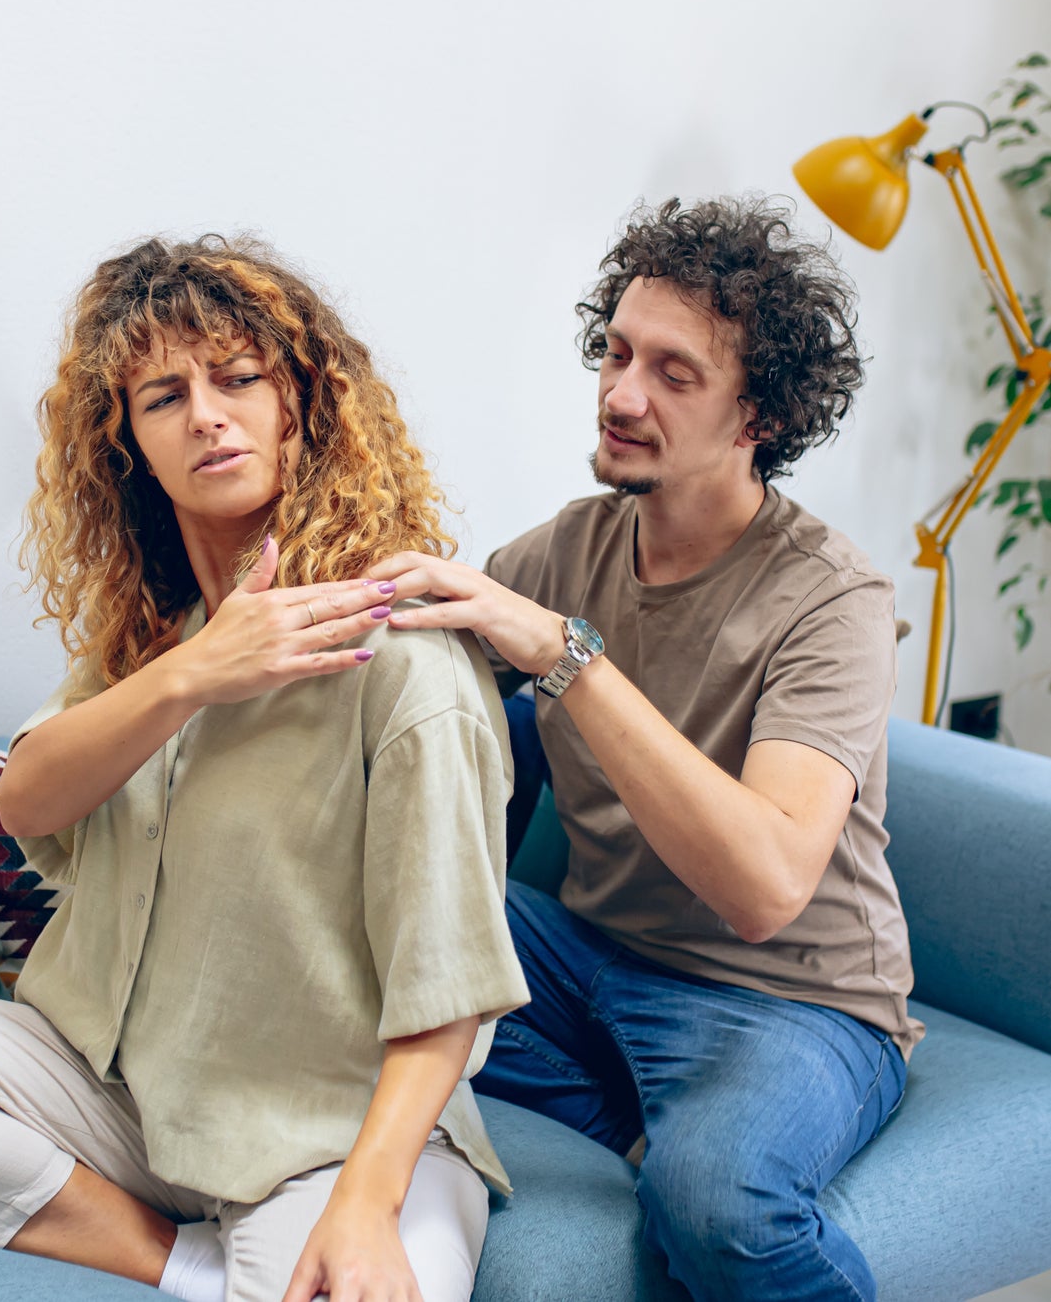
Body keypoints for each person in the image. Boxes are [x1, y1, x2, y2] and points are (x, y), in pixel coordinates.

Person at [0, 236, 529, 1302]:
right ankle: (176, 1261)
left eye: (239, 377)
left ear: (303, 405)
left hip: (321, 1129)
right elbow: (27, 796)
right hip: (103, 1086)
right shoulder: (151, 646)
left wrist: (364, 1201)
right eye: (164, 396)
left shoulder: (405, 662)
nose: (206, 413)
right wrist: (193, 674)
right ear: (132, 450)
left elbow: (451, 989)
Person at [366, 197, 921, 1302]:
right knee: (352, 925)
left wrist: (564, 656)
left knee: (718, 1207)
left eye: (674, 373)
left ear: (755, 413)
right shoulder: (573, 544)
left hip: (790, 997)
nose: (622, 394)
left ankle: (671, 1134)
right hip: (588, 957)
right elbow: (403, 679)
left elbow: (764, 886)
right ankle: (634, 1116)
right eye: (617, 352)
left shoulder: (830, 599)